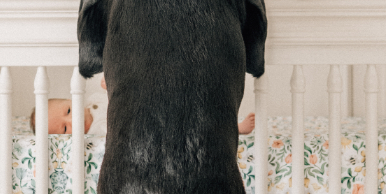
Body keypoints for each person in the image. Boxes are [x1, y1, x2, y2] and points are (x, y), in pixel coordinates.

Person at [30, 77, 255, 135]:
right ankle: (234, 129)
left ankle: (227, 123)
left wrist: (111, 85)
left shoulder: (92, 99)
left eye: (68, 111)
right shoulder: (93, 135)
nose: (73, 120)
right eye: (65, 129)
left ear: (72, 100)